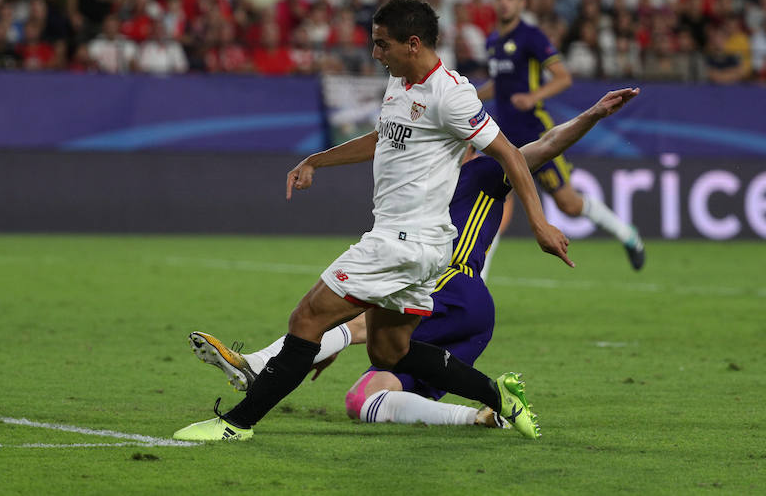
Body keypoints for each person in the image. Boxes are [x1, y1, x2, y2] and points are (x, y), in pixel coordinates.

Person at [172, 0, 572, 442]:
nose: (375, 53)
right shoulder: (400, 81)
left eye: (382, 45)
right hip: (418, 245)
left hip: (403, 241)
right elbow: (384, 138)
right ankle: (500, 398)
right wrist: (317, 160)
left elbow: (512, 157)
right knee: (389, 351)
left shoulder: (451, 95)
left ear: (413, 43)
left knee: (306, 320)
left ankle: (235, 424)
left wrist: (539, 224)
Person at [187, 88, 640, 430]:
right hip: (466, 310)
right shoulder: (425, 183)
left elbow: (546, 145)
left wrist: (593, 114)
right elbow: (380, 141)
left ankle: (260, 365)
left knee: (352, 318)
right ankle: (485, 412)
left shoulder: (484, 169)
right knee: (365, 396)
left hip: (454, 285)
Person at [477, 0, 644, 278]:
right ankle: (477, 281)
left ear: (521, 3)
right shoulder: (492, 41)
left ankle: (627, 234)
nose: (504, 1)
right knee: (491, 202)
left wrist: (533, 97)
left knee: (568, 204)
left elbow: (562, 77)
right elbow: (498, 85)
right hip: (502, 136)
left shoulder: (531, 37)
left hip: (535, 134)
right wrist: (471, 97)